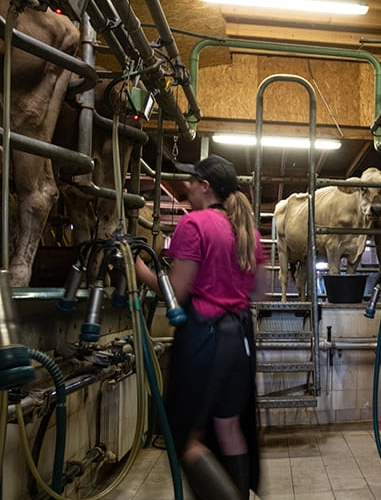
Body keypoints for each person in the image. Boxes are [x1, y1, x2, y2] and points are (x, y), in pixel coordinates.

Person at [136, 154, 267, 500]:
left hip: (203, 340)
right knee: (229, 428)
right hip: (240, 341)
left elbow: (176, 293)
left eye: (192, 181)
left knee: (185, 438)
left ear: (205, 187)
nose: (188, 186)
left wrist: (137, 269)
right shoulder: (248, 232)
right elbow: (258, 291)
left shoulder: (193, 226)